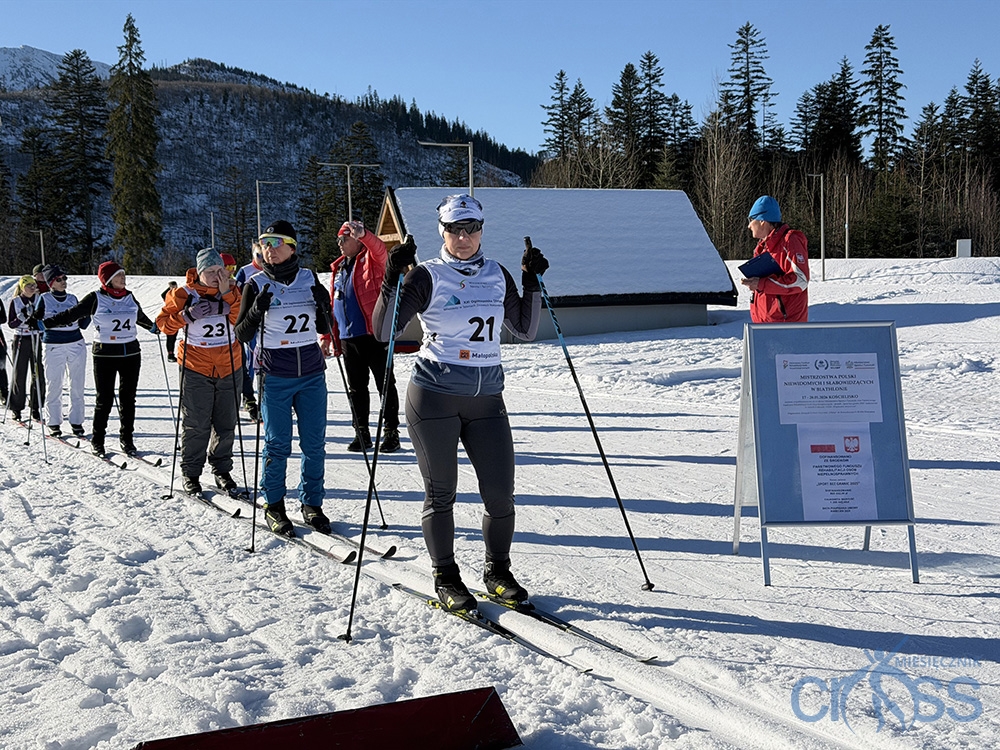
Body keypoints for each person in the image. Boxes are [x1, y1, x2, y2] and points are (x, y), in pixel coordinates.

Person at [372, 193, 549, 612]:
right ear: (443, 232)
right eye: (454, 229)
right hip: (434, 397)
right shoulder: (427, 276)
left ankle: (498, 571)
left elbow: (525, 329)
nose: (464, 237)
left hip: (486, 400)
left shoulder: (497, 273)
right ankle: (446, 576)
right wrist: (391, 279)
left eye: (471, 228)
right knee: (442, 494)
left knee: (500, 495)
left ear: (482, 230)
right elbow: (383, 331)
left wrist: (531, 282)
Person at [234, 220, 334, 536]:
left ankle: (312, 503)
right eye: (265, 244)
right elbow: (241, 333)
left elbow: (324, 327)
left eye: (276, 243)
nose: (269, 249)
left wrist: (324, 306)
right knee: (277, 443)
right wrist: (255, 312)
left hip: (311, 373)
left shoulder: (309, 278)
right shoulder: (255, 284)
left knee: (314, 444)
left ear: (291, 247)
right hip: (275, 374)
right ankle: (274, 505)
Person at [44, 261, 158, 457]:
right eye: (119, 275)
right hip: (105, 354)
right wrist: (45, 323)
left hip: (131, 353)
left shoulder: (129, 296)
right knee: (104, 400)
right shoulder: (95, 298)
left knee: (128, 399)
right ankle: (98, 441)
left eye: (123, 274)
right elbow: (71, 314)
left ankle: (127, 440)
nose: (123, 277)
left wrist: (154, 327)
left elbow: (140, 317)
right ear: (108, 279)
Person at [157, 248, 243, 497]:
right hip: (195, 366)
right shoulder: (184, 293)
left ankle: (222, 470)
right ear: (199, 272)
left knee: (226, 422)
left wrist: (227, 298)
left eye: (221, 270)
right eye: (211, 272)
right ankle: (191, 473)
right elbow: (163, 324)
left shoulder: (234, 289)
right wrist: (186, 315)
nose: (218, 276)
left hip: (230, 364)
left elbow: (243, 320)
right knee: (196, 423)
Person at [320, 220, 401, 453]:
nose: (340, 244)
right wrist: (327, 335)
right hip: (349, 336)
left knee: (385, 384)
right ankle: (361, 432)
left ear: (357, 240)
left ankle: (391, 432)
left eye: (344, 239)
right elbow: (334, 303)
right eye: (338, 239)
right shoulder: (339, 268)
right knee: (356, 387)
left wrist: (365, 234)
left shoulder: (371, 260)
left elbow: (380, 250)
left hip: (374, 334)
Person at [33, 264, 89, 437]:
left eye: (65, 278)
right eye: (59, 279)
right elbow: (37, 322)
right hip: (53, 345)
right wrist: (33, 320)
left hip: (75, 343)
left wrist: (88, 313)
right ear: (51, 283)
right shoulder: (44, 298)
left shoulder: (72, 299)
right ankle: (54, 422)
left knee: (77, 384)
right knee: (54, 384)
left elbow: (83, 324)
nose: (63, 281)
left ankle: (77, 421)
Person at [740, 195, 810, 323]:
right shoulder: (762, 247)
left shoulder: (790, 241)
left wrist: (761, 284)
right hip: (764, 325)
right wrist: (755, 283)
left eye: (751, 219)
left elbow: (801, 280)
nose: (749, 226)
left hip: (786, 326)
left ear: (762, 221)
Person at [6, 275, 44, 422]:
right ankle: (16, 408)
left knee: (38, 373)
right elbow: (11, 323)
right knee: (19, 373)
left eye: (34, 285)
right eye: (29, 286)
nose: (33, 288)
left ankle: (36, 407)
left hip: (36, 337)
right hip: (21, 337)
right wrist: (21, 317)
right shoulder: (16, 301)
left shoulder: (39, 299)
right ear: (22, 287)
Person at [234, 242, 263, 421]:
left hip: (266, 322)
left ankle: (264, 397)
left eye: (263, 255)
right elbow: (235, 292)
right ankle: (248, 396)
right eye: (258, 255)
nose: (261, 259)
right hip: (248, 322)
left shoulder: (271, 269)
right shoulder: (245, 271)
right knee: (250, 360)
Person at [160, 280, 179, 362]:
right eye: (172, 286)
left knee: (174, 337)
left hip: (177, 317)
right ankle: (170, 355)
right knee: (171, 337)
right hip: (170, 317)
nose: (174, 288)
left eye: (175, 286)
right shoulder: (167, 294)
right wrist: (169, 289)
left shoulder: (178, 293)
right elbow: (162, 295)